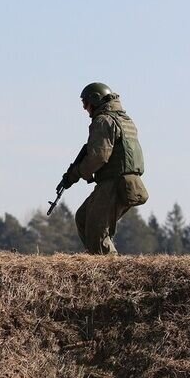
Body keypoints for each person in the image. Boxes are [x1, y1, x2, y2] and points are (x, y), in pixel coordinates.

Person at [59, 83, 148, 255]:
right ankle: (99, 261)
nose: (85, 109)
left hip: (115, 182)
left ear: (95, 100)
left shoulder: (103, 120)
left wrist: (75, 173)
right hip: (125, 181)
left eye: (86, 103)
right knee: (84, 218)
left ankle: (108, 270)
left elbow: (98, 157)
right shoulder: (123, 119)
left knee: (96, 231)